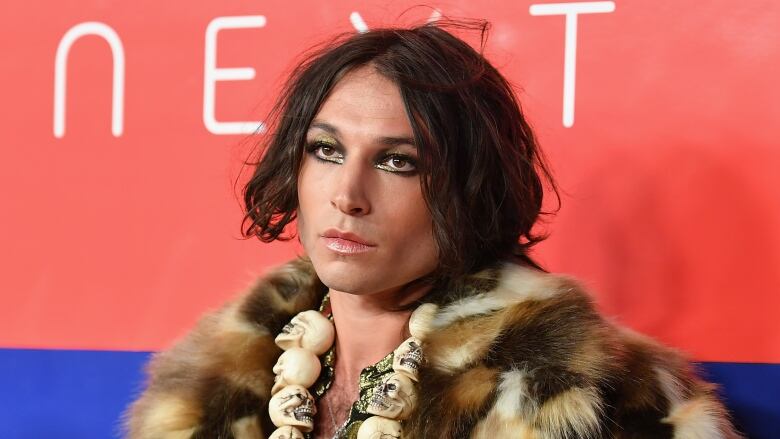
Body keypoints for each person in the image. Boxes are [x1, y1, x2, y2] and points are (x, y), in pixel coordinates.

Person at [125, 20, 743, 439]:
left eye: (399, 162)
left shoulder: (591, 401)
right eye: (327, 150)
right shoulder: (210, 388)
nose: (348, 195)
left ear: (468, 189)